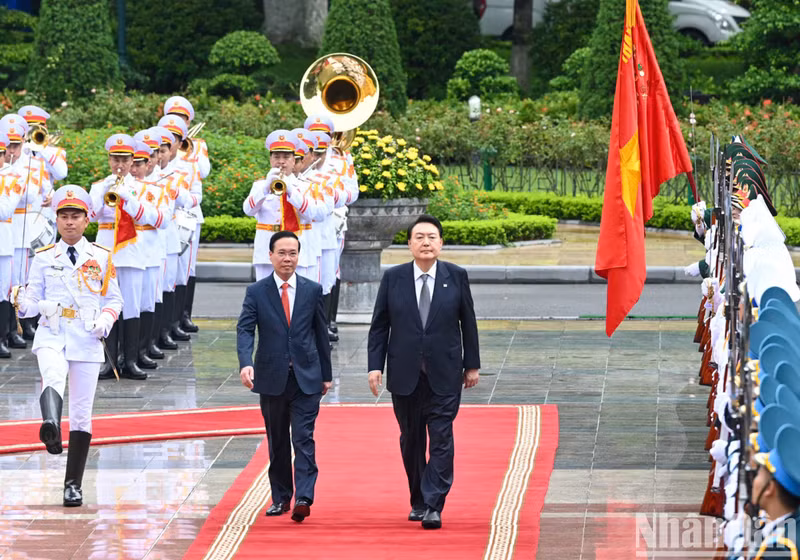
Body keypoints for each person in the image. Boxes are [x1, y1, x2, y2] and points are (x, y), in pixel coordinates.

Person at [367, 214, 481, 530]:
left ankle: (433, 504)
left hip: (445, 373)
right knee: (411, 440)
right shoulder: (394, 278)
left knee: (441, 438)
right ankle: (418, 499)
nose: (426, 242)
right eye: (419, 237)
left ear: (441, 243)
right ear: (409, 244)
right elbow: (380, 326)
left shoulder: (456, 276)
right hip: (405, 375)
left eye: (432, 237)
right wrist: (375, 366)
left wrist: (472, 364)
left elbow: (468, 322)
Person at [16, 185, 123, 506]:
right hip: (52, 332)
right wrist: (20, 301)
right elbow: (30, 303)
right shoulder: (44, 257)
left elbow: (114, 299)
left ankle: (73, 484)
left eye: (76, 216)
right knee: (52, 373)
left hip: (87, 336)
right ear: (57, 220)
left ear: (87, 220)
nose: (70, 222)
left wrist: (105, 320)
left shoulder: (101, 256)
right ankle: (50, 424)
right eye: (64, 216)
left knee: (81, 413)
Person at [236, 230, 332, 522]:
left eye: (292, 253)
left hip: (306, 377)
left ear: (299, 256)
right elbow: (245, 329)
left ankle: (304, 497)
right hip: (271, 377)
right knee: (277, 441)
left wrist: (326, 374)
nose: (287, 258)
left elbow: (321, 333)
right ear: (271, 256)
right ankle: (281, 498)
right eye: (282, 253)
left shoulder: (312, 290)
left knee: (303, 437)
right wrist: (245, 363)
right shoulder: (257, 291)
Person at [89, 133, 157, 380]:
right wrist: (103, 193)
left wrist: (127, 198)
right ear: (109, 160)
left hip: (131, 251)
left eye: (125, 160)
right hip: (106, 250)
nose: (120, 164)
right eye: (115, 159)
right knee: (105, 304)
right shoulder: (99, 186)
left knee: (131, 306)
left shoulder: (142, 188)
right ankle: (109, 361)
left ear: (132, 161)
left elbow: (149, 217)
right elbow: (91, 216)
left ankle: (130, 360)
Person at [163, 96, 210, 334]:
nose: (178, 121)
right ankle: (168, 322)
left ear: (189, 121)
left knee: (187, 267)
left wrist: (189, 150)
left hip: (189, 215)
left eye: (181, 118)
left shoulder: (197, 145)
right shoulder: (157, 143)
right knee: (168, 268)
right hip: (167, 214)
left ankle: (184, 316)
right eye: (173, 117)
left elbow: (204, 172)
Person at [0, 130, 26, 358]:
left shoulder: (14, 178)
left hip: (3, 243)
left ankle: (1, 338)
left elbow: (6, 210)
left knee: (2, 293)